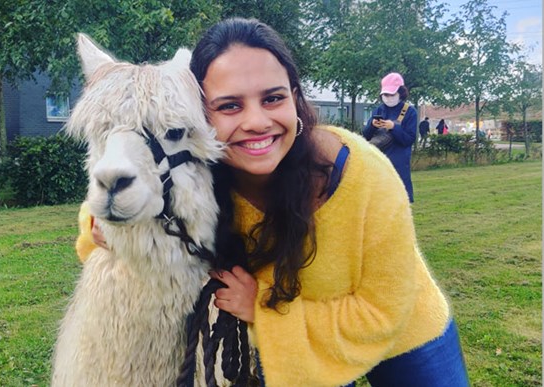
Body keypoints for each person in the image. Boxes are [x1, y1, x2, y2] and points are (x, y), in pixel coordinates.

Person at [77, 17, 469, 387]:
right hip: (292, 336)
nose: (256, 122)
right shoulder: (203, 171)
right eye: (230, 105)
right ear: (202, 116)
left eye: (273, 98)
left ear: (295, 99)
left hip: (400, 330)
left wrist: (263, 310)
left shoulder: (364, 176)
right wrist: (103, 226)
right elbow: (124, 183)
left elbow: (383, 310)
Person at [362, 72, 417, 203]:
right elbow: (366, 136)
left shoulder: (410, 112)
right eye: (385, 95)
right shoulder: (378, 110)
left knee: (398, 202)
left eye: (391, 94)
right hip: (378, 162)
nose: (388, 98)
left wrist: (394, 127)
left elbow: (409, 139)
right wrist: (372, 125)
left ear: (401, 93)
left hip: (398, 164)